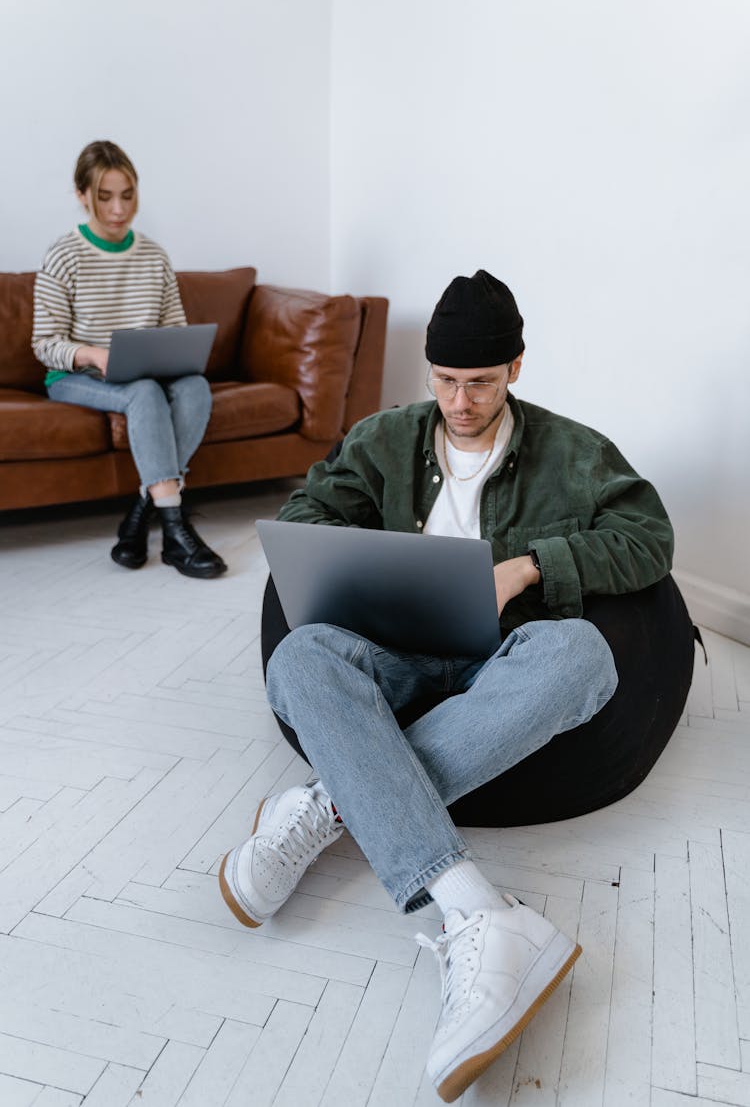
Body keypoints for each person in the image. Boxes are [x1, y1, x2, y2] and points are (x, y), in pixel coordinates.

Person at [218, 270, 674, 1101]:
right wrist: (367, 571)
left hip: (503, 656)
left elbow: (648, 540)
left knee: (583, 656)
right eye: (446, 381)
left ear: (517, 369)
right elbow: (308, 515)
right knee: (299, 660)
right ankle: (475, 907)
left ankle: (333, 803)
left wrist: (529, 567)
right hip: (393, 649)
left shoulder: (575, 451)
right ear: (428, 371)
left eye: (482, 383)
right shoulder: (384, 437)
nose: (461, 402)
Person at [32, 140, 226, 579]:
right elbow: (44, 343)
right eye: (105, 197)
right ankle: (176, 531)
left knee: (195, 387)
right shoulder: (64, 255)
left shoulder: (153, 255)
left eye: (128, 195)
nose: (119, 208)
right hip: (75, 374)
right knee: (143, 394)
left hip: (145, 370)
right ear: (82, 195)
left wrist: (174, 349)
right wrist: (93, 353)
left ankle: (143, 508)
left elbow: (174, 324)